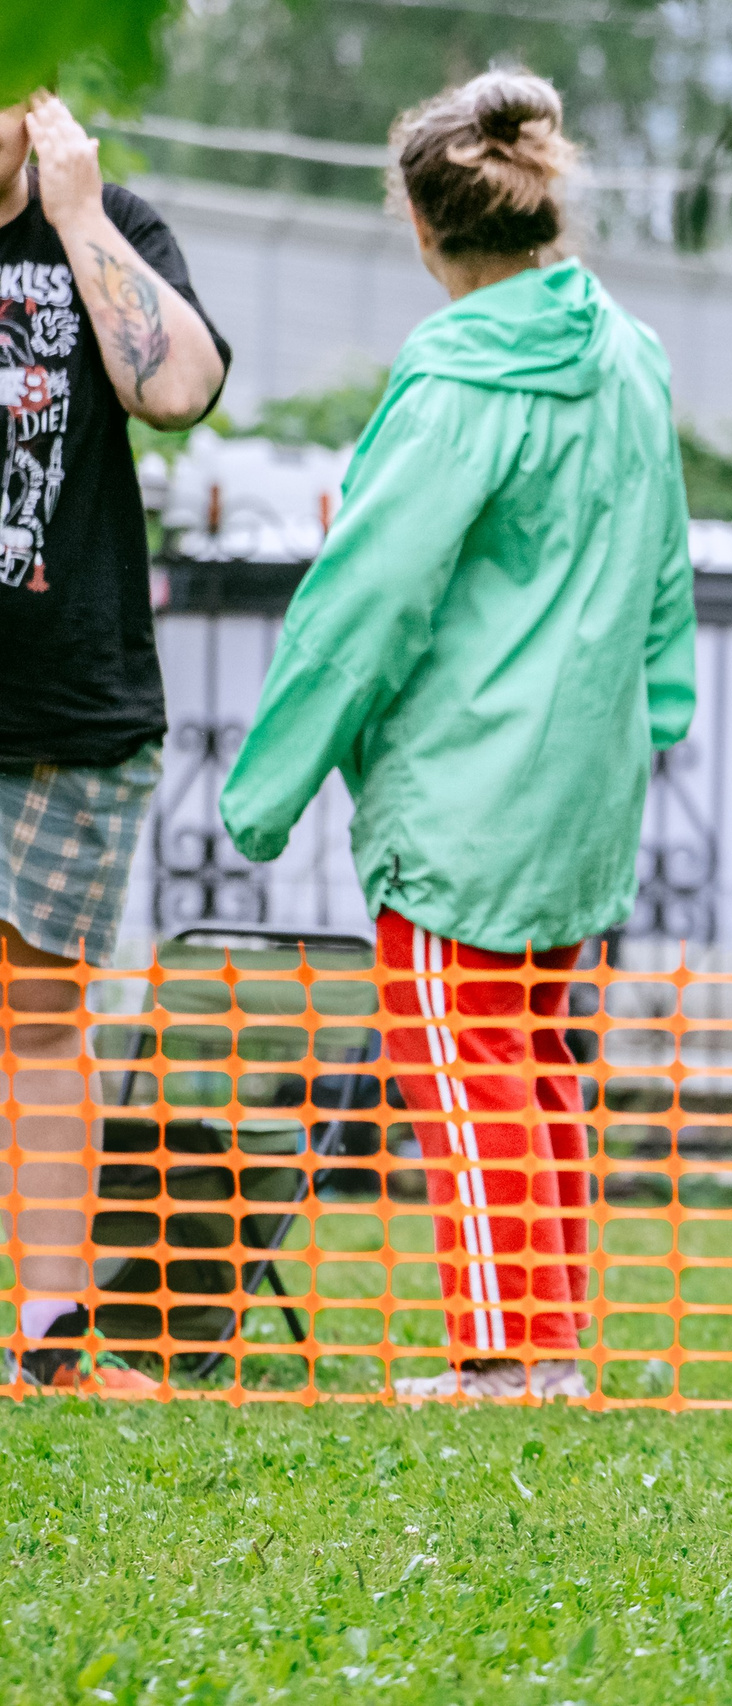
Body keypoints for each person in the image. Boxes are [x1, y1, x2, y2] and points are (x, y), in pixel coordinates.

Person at [219, 69, 696, 1401]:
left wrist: (266, 785)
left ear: (423, 230)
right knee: (536, 1055)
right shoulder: (631, 355)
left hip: (463, 800)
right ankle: (545, 1349)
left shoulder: (452, 384)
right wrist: (656, 713)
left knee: (462, 1062)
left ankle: (500, 1357)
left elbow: (362, 598)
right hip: (587, 791)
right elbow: (668, 564)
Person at [0, 93, 231, 1391]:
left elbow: (180, 390)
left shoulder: (108, 225)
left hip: (69, 714)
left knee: (41, 1024)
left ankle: (50, 1341)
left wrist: (80, 212)